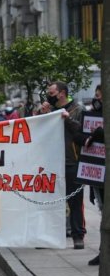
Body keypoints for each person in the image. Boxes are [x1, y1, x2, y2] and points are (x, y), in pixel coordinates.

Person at [47, 81, 86, 249]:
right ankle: (49, 235)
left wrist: (67, 119)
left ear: (62, 93)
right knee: (50, 200)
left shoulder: (77, 110)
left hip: (71, 161)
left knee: (75, 200)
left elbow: (82, 133)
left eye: (52, 92)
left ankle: (78, 235)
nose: (50, 95)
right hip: (51, 161)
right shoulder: (50, 110)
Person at [84, 85, 104, 265]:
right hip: (99, 175)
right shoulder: (94, 116)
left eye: (99, 96)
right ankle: (103, 252)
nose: (96, 100)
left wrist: (96, 134)